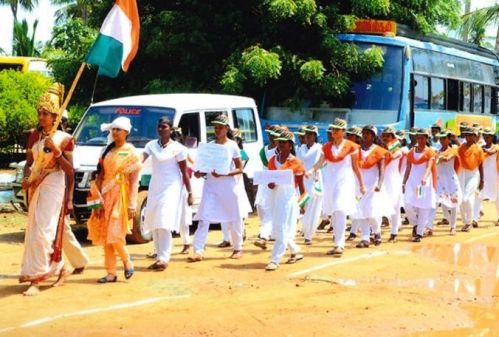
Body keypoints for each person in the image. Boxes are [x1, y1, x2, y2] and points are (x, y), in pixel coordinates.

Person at [19, 83, 74, 296]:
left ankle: (37, 279)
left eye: (46, 114)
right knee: (34, 232)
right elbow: (28, 163)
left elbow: (70, 171)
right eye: (39, 113)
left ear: (55, 116)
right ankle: (59, 268)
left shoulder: (64, 139)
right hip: (35, 186)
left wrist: (58, 152)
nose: (41, 117)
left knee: (44, 232)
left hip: (54, 185)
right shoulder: (34, 136)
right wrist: (26, 178)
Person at [87, 116, 141, 283]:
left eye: (118, 129)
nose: (115, 132)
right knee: (106, 237)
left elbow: (133, 181)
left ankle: (127, 261)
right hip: (104, 196)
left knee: (115, 234)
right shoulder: (107, 151)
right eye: (113, 129)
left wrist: (132, 204)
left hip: (120, 197)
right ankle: (111, 273)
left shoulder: (130, 151)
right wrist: (96, 198)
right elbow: (99, 176)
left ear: (126, 132)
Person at [188, 114, 244, 261]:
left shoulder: (232, 145)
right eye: (216, 127)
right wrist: (199, 172)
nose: (217, 130)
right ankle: (198, 250)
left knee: (234, 217)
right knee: (204, 217)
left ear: (227, 129)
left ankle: (237, 247)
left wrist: (225, 173)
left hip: (228, 186)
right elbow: (200, 170)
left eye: (220, 127)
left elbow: (240, 168)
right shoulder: (209, 146)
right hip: (211, 186)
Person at [141, 117, 193, 271]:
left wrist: (190, 192)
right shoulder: (151, 145)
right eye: (159, 126)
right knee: (155, 221)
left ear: (171, 129)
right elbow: (140, 161)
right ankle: (159, 257)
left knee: (164, 220)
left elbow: (184, 172)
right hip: (156, 186)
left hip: (172, 187)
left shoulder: (178, 148)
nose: (161, 129)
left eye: (164, 127)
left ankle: (164, 258)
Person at [309, 118, 365, 256]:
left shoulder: (352, 146)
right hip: (330, 182)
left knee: (340, 209)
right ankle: (337, 242)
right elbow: (320, 163)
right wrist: (311, 170)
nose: (333, 132)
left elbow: (355, 167)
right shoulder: (327, 147)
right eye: (332, 129)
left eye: (337, 130)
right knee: (333, 211)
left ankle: (340, 244)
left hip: (345, 182)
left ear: (343, 131)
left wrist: (361, 184)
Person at [265, 129, 306, 271]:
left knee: (282, 228)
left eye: (284, 143)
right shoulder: (272, 161)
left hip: (288, 199)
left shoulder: (296, 163)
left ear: (290, 145)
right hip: (275, 197)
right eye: (279, 142)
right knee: (279, 227)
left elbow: (302, 187)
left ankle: (274, 260)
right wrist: (269, 184)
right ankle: (295, 251)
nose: (280, 145)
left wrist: (303, 204)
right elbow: (269, 181)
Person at [352, 125, 387, 248]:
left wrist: (380, 184)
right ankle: (365, 238)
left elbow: (382, 170)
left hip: (373, 184)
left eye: (368, 133)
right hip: (359, 183)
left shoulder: (379, 150)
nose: (365, 135)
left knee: (370, 211)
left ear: (373, 136)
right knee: (360, 211)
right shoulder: (356, 149)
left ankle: (377, 232)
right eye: (364, 133)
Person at [219, 128, 252, 248]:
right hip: (225, 182)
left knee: (238, 210)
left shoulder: (241, 152)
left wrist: (233, 182)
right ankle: (226, 238)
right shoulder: (225, 149)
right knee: (223, 210)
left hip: (236, 183)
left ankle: (240, 233)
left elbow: (239, 169)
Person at [402, 128, 437, 242]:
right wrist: (404, 181)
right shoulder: (411, 152)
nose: (420, 139)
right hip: (412, 182)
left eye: (423, 137)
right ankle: (415, 223)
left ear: (426, 138)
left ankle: (419, 233)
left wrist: (424, 177)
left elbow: (429, 166)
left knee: (422, 206)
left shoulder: (430, 151)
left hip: (422, 184)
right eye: (419, 137)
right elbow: (408, 168)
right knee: (408, 205)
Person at [254, 125, 280, 250]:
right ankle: (266, 231)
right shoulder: (263, 151)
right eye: (270, 134)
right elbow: (267, 165)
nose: (271, 137)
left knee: (274, 209)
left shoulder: (282, 150)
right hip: (265, 182)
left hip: (278, 183)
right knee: (260, 206)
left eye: (274, 135)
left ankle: (265, 234)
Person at [296, 125, 323, 245]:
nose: (308, 136)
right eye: (306, 134)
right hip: (302, 179)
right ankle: (304, 228)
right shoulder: (300, 148)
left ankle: (308, 235)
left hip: (314, 179)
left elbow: (320, 162)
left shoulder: (319, 148)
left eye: (311, 134)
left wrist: (313, 172)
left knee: (313, 207)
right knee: (302, 205)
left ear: (315, 136)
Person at [457, 126, 484, 232]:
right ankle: (465, 222)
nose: (468, 137)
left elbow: (481, 165)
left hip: (473, 174)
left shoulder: (478, 149)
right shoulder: (461, 147)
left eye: (470, 135)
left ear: (474, 136)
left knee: (467, 198)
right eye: (466, 135)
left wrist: (482, 180)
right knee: (461, 199)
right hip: (462, 173)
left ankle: (469, 221)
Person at [435, 129, 462, 235]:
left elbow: (447, 158)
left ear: (449, 139)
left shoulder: (453, 150)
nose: (442, 140)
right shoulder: (437, 150)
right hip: (440, 180)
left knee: (453, 202)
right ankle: (429, 227)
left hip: (451, 179)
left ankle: (453, 227)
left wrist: (439, 158)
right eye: (440, 138)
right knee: (437, 201)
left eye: (444, 138)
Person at [380, 126, 404, 242]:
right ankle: (375, 232)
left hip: (393, 180)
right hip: (382, 180)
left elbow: (394, 156)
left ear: (393, 137)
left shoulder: (397, 149)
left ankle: (394, 232)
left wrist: (387, 153)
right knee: (379, 205)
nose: (385, 138)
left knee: (395, 206)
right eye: (384, 136)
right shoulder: (379, 149)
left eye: (388, 136)